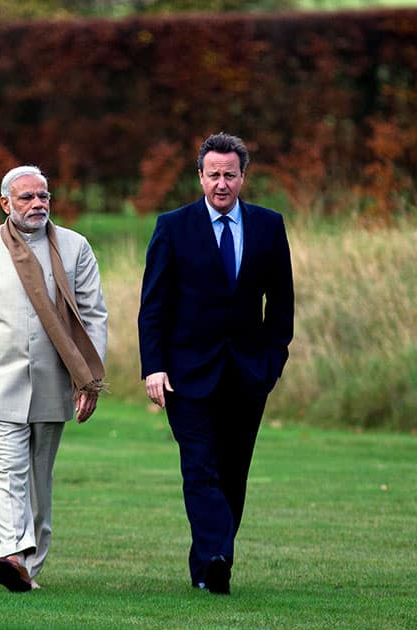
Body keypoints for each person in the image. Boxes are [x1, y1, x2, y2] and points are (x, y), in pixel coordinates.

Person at [137, 133, 294, 595]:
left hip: (248, 375)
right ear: (200, 176)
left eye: (230, 174)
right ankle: (218, 556)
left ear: (243, 176)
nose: (221, 183)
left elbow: (281, 306)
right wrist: (154, 366)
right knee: (199, 468)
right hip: (186, 376)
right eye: (213, 175)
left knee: (232, 473)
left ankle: (208, 563)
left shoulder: (269, 226)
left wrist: (271, 364)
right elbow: (154, 306)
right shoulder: (173, 226)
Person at [0, 165, 108, 592]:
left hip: (55, 381)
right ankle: (12, 553)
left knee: (39, 477)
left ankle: (28, 566)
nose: (38, 204)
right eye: (26, 198)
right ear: (5, 204)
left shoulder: (75, 247)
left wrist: (89, 380)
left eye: (43, 196)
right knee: (7, 470)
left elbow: (93, 316)